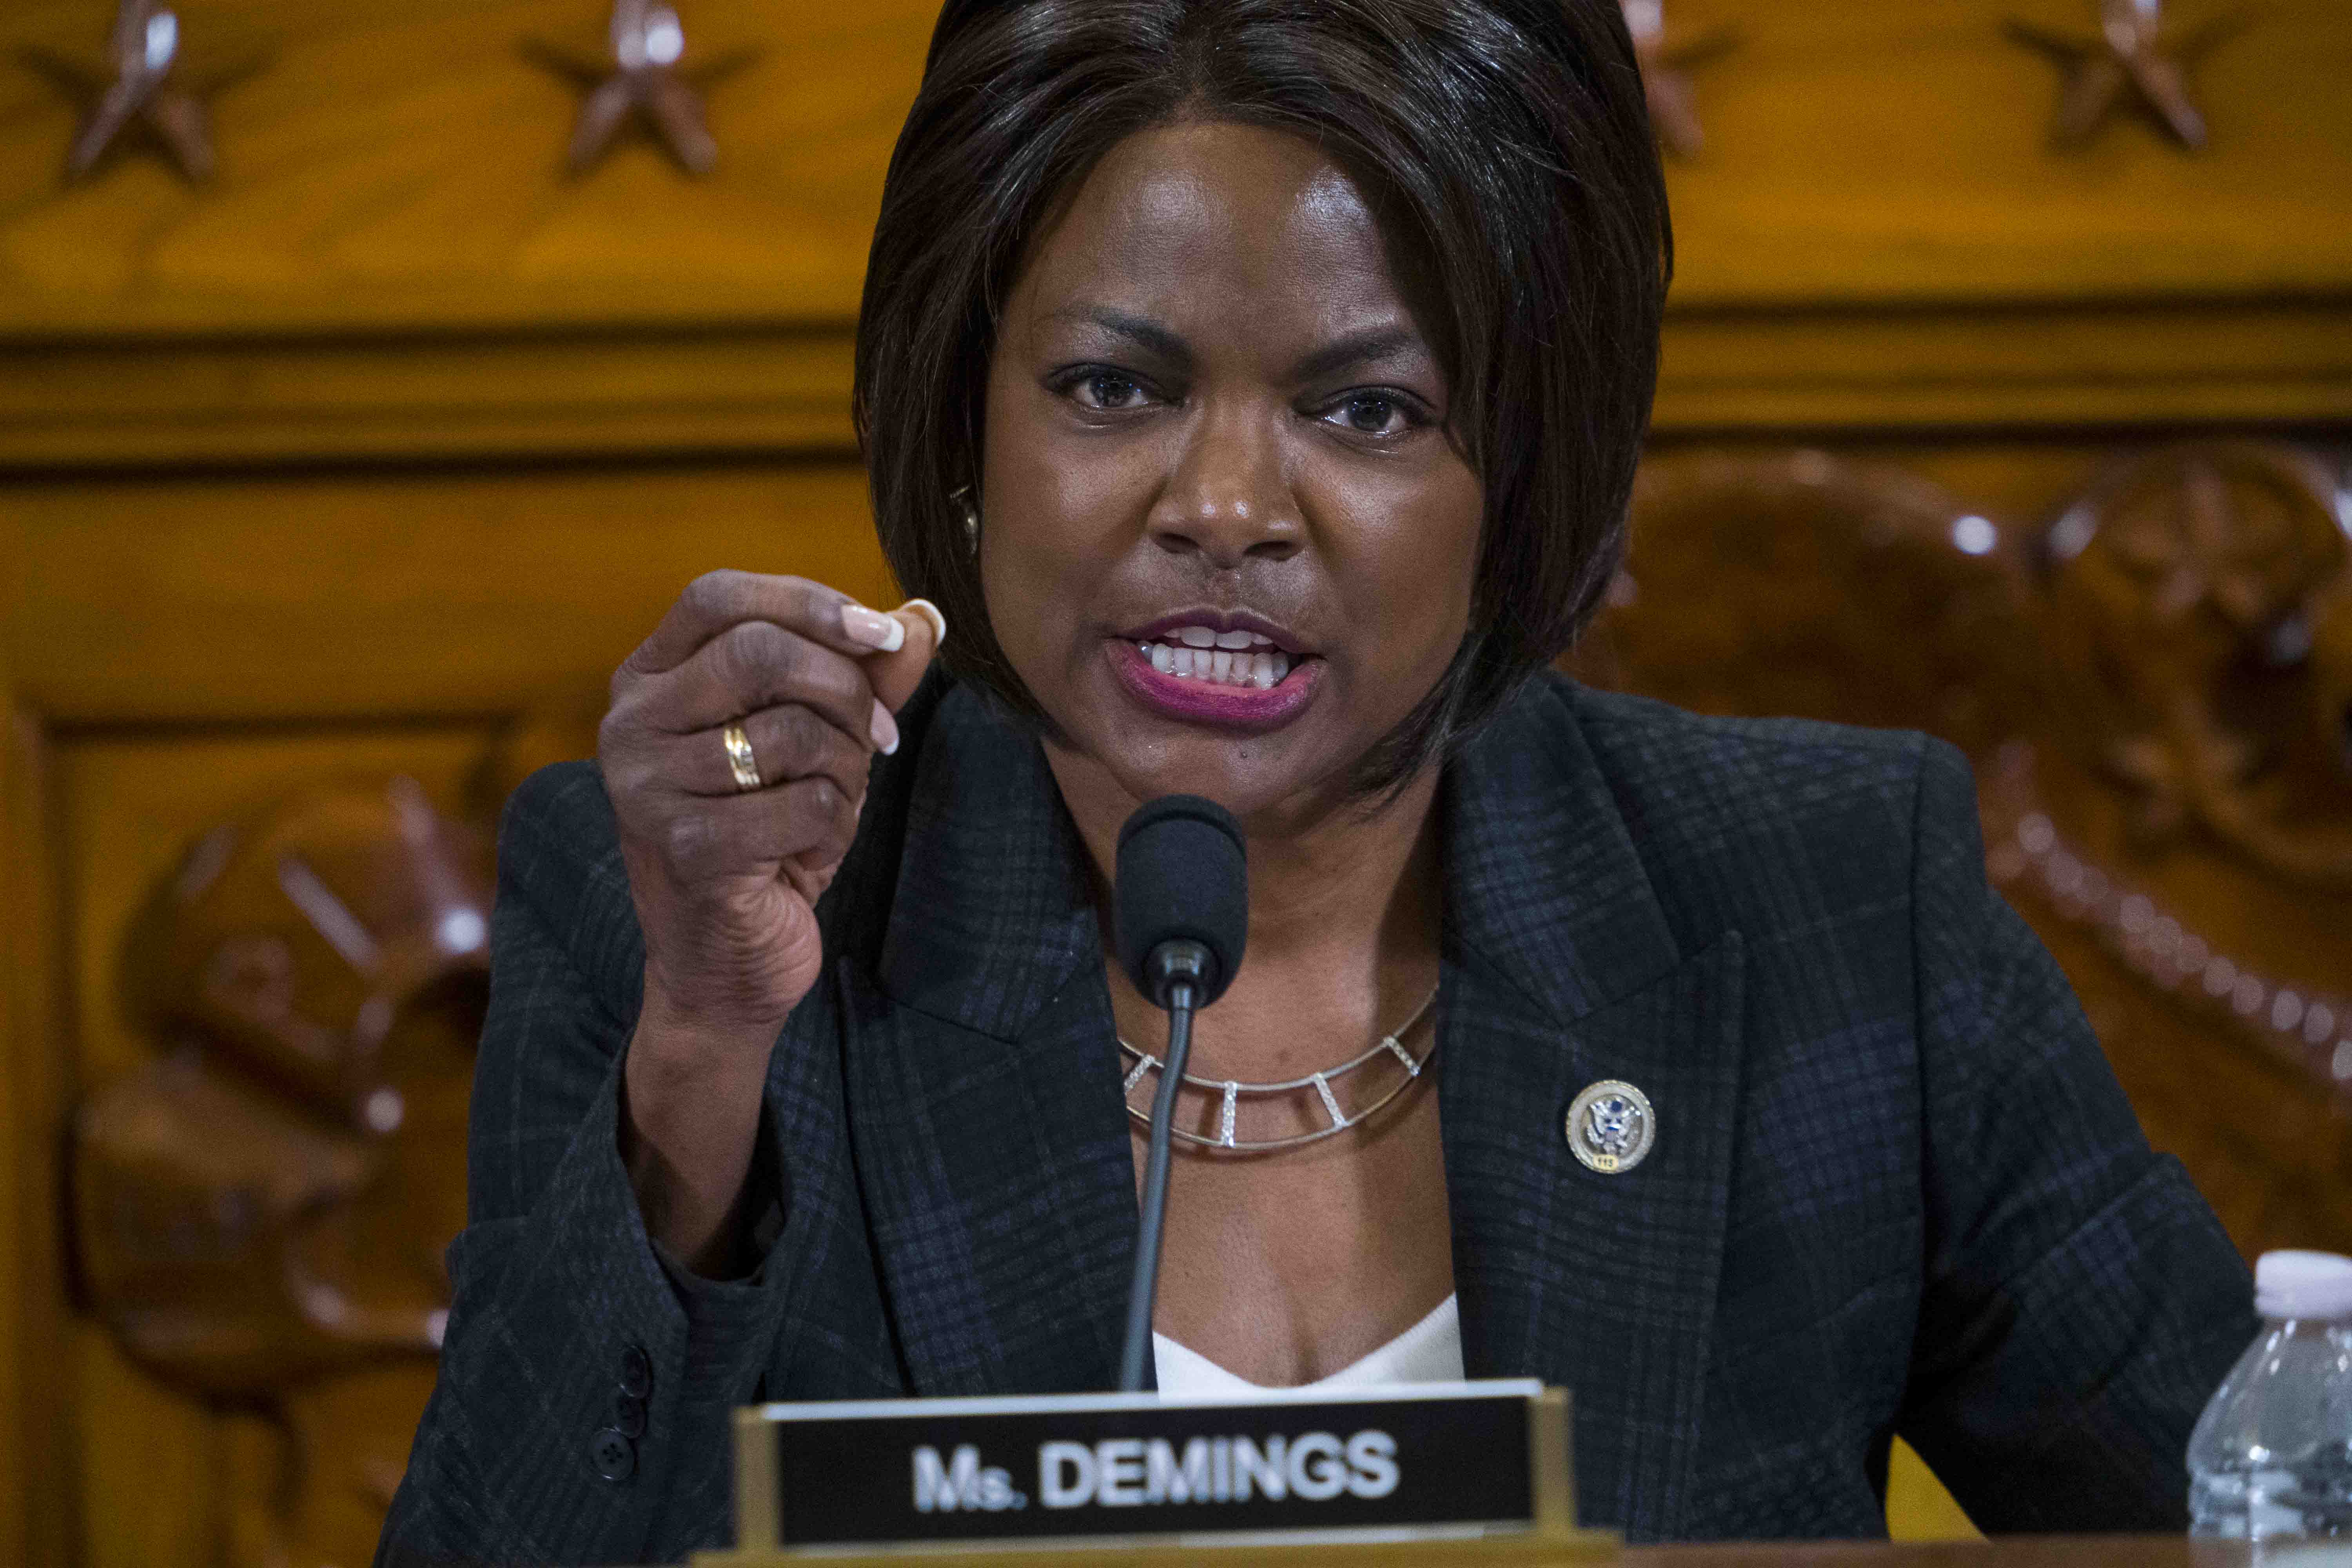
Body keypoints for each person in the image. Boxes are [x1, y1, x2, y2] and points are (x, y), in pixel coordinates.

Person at [377, 0, 2256, 1560]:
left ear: (1523, 476)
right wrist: (705, 1055)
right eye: (1113, 386)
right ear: (964, 422)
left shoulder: (1829, 900)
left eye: (1367, 408)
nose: (1222, 509)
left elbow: (2261, 1511)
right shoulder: (701, 906)